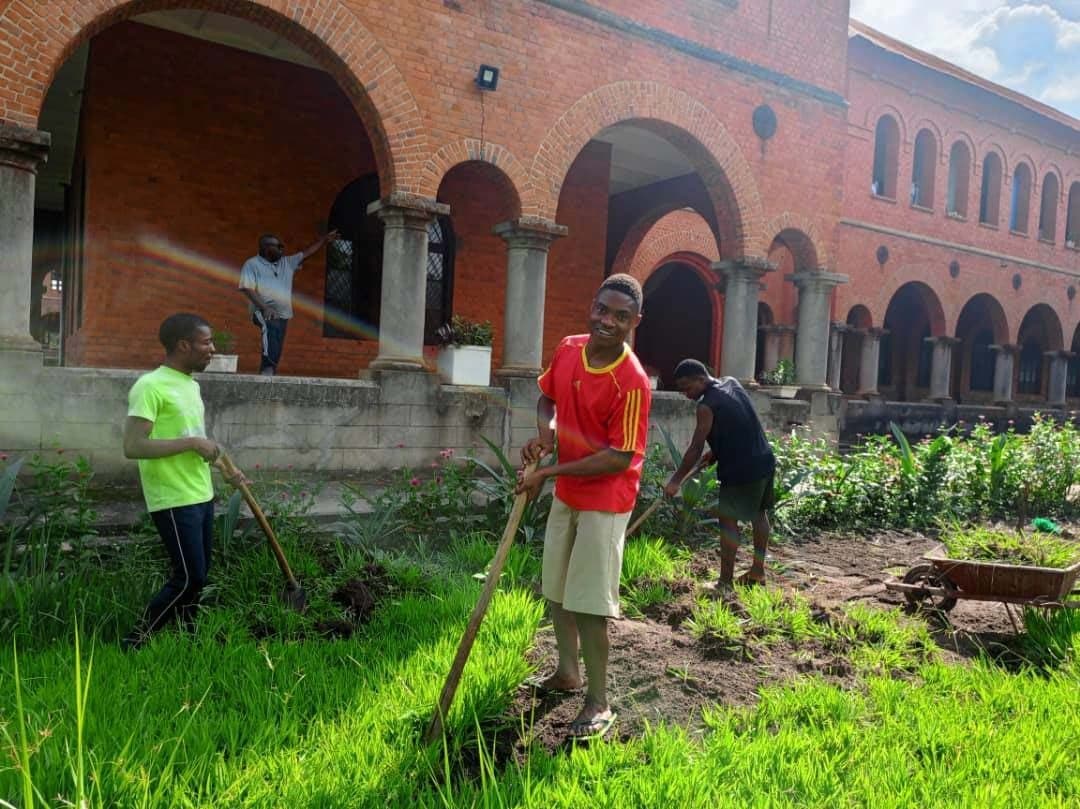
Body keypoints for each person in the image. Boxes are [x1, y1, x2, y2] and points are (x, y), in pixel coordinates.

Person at [517, 273, 651, 738]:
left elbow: (618, 456)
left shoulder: (631, 382)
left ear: (635, 321)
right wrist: (545, 436)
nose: (607, 322)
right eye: (602, 310)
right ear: (592, 306)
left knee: (590, 603)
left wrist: (546, 473)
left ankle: (598, 702)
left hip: (606, 501)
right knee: (555, 588)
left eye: (620, 316)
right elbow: (546, 397)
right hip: (569, 491)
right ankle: (567, 672)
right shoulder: (570, 348)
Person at [121, 313, 236, 650]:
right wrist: (191, 444)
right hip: (172, 498)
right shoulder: (150, 386)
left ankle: (189, 640)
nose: (212, 349)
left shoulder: (190, 385)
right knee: (189, 577)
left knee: (198, 577)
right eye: (206, 342)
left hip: (200, 493)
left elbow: (197, 439)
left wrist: (227, 466)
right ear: (183, 345)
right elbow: (133, 446)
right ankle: (135, 641)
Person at [664, 359, 776, 588]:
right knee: (759, 514)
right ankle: (757, 572)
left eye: (688, 388)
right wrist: (715, 452)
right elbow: (737, 422)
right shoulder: (731, 383)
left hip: (740, 469)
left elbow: (695, 447)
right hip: (764, 459)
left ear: (701, 379)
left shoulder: (706, 406)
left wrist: (675, 481)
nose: (686, 394)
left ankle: (724, 582)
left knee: (728, 521)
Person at [239, 229, 338, 375]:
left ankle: (269, 370)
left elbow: (307, 253)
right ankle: (268, 368)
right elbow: (247, 288)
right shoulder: (252, 264)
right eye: (278, 246)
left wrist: (324, 240)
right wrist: (265, 307)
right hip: (261, 310)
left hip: (283, 313)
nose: (281, 249)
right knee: (270, 327)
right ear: (266, 248)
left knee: (277, 342)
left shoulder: (287, 262)